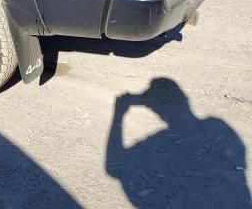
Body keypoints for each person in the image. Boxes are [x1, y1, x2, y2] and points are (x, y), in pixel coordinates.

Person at [106, 78, 250, 208]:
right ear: (185, 99)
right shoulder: (216, 126)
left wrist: (119, 113)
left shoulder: (160, 139)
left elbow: (114, 166)